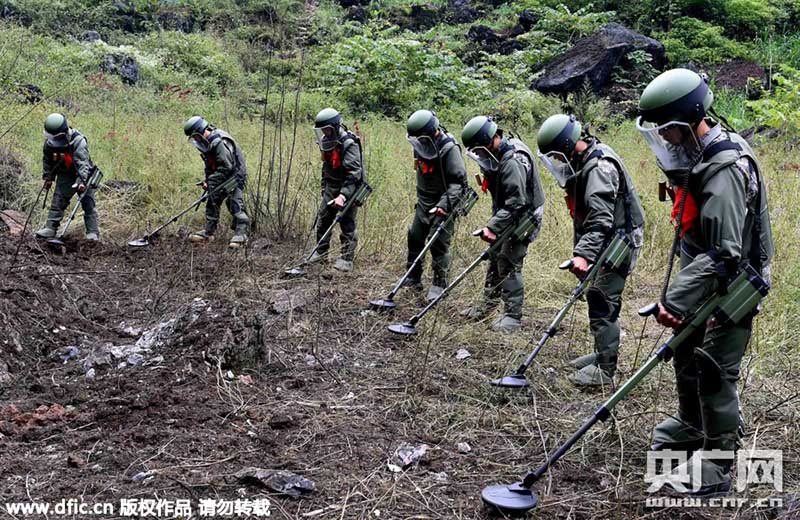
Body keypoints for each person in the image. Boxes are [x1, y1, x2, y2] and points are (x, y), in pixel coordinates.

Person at [637, 68, 774, 495]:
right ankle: (692, 426)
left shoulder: (724, 168)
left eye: (669, 131)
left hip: (733, 283)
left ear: (689, 121)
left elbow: (726, 252)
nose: (666, 141)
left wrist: (675, 300)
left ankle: (716, 466)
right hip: (707, 276)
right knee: (685, 352)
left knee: (715, 369)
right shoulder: (702, 154)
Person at [536, 114, 645, 387]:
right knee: (596, 294)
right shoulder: (585, 160)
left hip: (618, 242)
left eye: (558, 156)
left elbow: (600, 220)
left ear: (568, 146)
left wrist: (583, 254)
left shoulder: (599, 168)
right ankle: (601, 354)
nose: (558, 162)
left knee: (602, 300)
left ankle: (605, 369)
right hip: (607, 238)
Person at [459, 116, 545, 333]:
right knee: (495, 256)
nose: (479, 155)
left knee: (509, 261)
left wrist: (492, 227)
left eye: (480, 149)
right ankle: (487, 305)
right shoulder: (496, 155)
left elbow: (516, 202)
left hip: (524, 215)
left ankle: (512, 316)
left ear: (493, 138)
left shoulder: (512, 161)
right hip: (509, 211)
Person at [404, 109, 468, 301]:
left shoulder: (449, 148)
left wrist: (443, 205)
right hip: (424, 202)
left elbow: (459, 183)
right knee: (415, 237)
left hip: (444, 202)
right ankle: (412, 278)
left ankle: (439, 284)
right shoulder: (420, 143)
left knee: (437, 242)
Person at [310, 108, 365, 272]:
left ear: (335, 126)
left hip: (349, 188)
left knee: (347, 224)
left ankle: (346, 259)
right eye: (322, 130)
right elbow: (326, 166)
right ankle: (320, 252)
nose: (325, 133)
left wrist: (343, 196)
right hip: (331, 186)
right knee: (323, 219)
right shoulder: (327, 142)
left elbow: (354, 174)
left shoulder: (349, 143)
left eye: (327, 129)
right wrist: (323, 185)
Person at [183, 116, 250, 248]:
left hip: (234, 177)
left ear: (200, 131)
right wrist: (208, 181)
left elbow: (226, 166)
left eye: (194, 136)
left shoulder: (219, 142)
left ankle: (241, 235)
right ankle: (208, 233)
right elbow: (210, 166)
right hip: (223, 175)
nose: (195, 140)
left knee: (234, 204)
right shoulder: (206, 144)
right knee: (212, 200)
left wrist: (212, 180)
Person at [35, 113, 100, 241]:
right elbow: (47, 161)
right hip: (65, 175)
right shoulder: (49, 144)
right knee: (58, 200)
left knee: (88, 203)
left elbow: (83, 164)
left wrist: (82, 182)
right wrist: (48, 178)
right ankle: (50, 228)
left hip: (83, 175)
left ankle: (92, 233)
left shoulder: (78, 141)